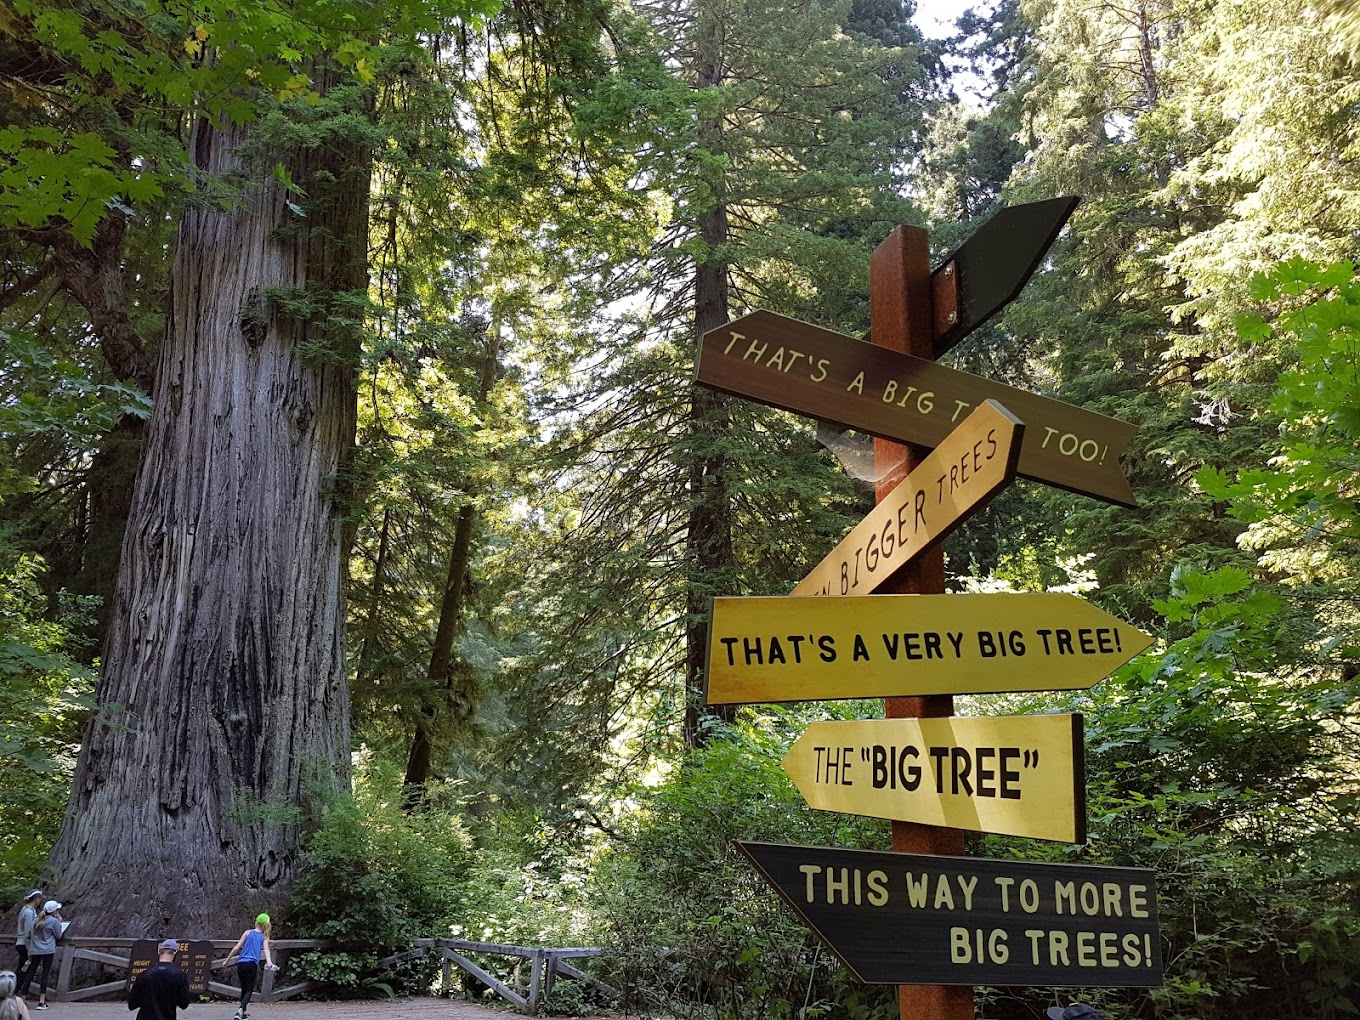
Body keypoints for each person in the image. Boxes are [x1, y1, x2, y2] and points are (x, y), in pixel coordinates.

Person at [223, 914, 278, 1020]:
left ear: (256, 922)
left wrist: (227, 960)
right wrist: (269, 961)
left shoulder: (247, 932)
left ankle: (243, 1013)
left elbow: (237, 947)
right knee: (249, 990)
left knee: (244, 989)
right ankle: (240, 1010)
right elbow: (266, 949)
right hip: (252, 964)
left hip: (241, 963)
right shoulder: (264, 936)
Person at [127, 939, 191, 1020]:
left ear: (159, 952)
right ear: (175, 953)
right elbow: (184, 1004)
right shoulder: (180, 975)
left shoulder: (144, 974)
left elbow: (132, 1004)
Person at [16, 901, 63, 1010]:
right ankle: (41, 1001)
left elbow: (29, 934)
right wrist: (60, 923)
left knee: (30, 973)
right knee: (45, 974)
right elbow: (58, 935)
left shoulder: (36, 920)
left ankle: (23, 998)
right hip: (47, 950)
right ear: (54, 911)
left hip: (35, 950)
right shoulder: (54, 921)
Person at [12, 893, 41, 972]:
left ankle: (19, 983)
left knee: (23, 969)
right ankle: (18, 984)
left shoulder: (25, 909)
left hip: (22, 943)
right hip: (24, 944)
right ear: (36, 899)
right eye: (39, 898)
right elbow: (28, 931)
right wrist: (30, 950)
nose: (40, 901)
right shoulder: (29, 912)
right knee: (23, 970)